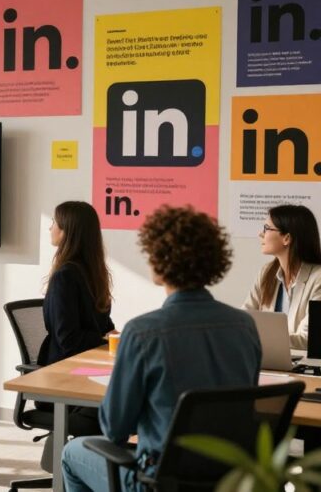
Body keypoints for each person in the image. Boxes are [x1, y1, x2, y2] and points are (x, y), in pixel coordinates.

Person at [61, 206, 261, 492]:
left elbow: (114, 429)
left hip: (159, 481)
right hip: (230, 478)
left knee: (72, 453)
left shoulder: (143, 333)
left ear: (158, 262)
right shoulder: (245, 327)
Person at [36, 201, 115, 438]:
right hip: (63, 374)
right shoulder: (75, 274)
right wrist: (103, 337)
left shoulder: (80, 274)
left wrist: (109, 335)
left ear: (67, 230)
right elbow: (69, 340)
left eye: (54, 222)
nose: (50, 228)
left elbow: (101, 326)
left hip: (76, 372)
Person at [243, 204, 321, 349]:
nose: (261, 234)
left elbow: (308, 340)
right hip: (268, 362)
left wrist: (260, 339)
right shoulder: (266, 272)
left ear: (287, 238)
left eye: (266, 228)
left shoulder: (318, 279)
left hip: (302, 367)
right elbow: (245, 319)